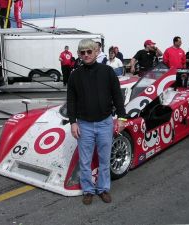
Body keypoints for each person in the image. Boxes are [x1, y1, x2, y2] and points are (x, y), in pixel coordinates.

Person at [67, 39, 126, 205]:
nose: (86, 55)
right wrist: (73, 122)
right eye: (82, 52)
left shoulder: (107, 71)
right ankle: (88, 190)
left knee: (104, 159)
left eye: (89, 52)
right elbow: (71, 100)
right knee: (85, 161)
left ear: (96, 52)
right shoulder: (75, 75)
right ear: (79, 54)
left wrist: (122, 117)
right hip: (84, 125)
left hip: (105, 123)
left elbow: (117, 96)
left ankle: (103, 189)